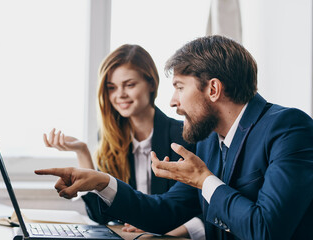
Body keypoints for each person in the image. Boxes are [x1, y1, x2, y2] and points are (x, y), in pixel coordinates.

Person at [35, 35, 313, 240]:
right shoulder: (209, 141)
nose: (172, 101)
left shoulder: (289, 129)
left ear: (213, 89)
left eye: (180, 87)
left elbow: (266, 230)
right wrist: (103, 182)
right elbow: (165, 211)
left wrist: (205, 181)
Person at [42, 44, 204, 239]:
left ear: (151, 84)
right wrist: (82, 152)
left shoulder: (184, 135)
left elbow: (198, 208)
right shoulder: (109, 139)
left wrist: (164, 234)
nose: (120, 95)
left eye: (129, 85)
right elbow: (99, 216)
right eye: (112, 88)